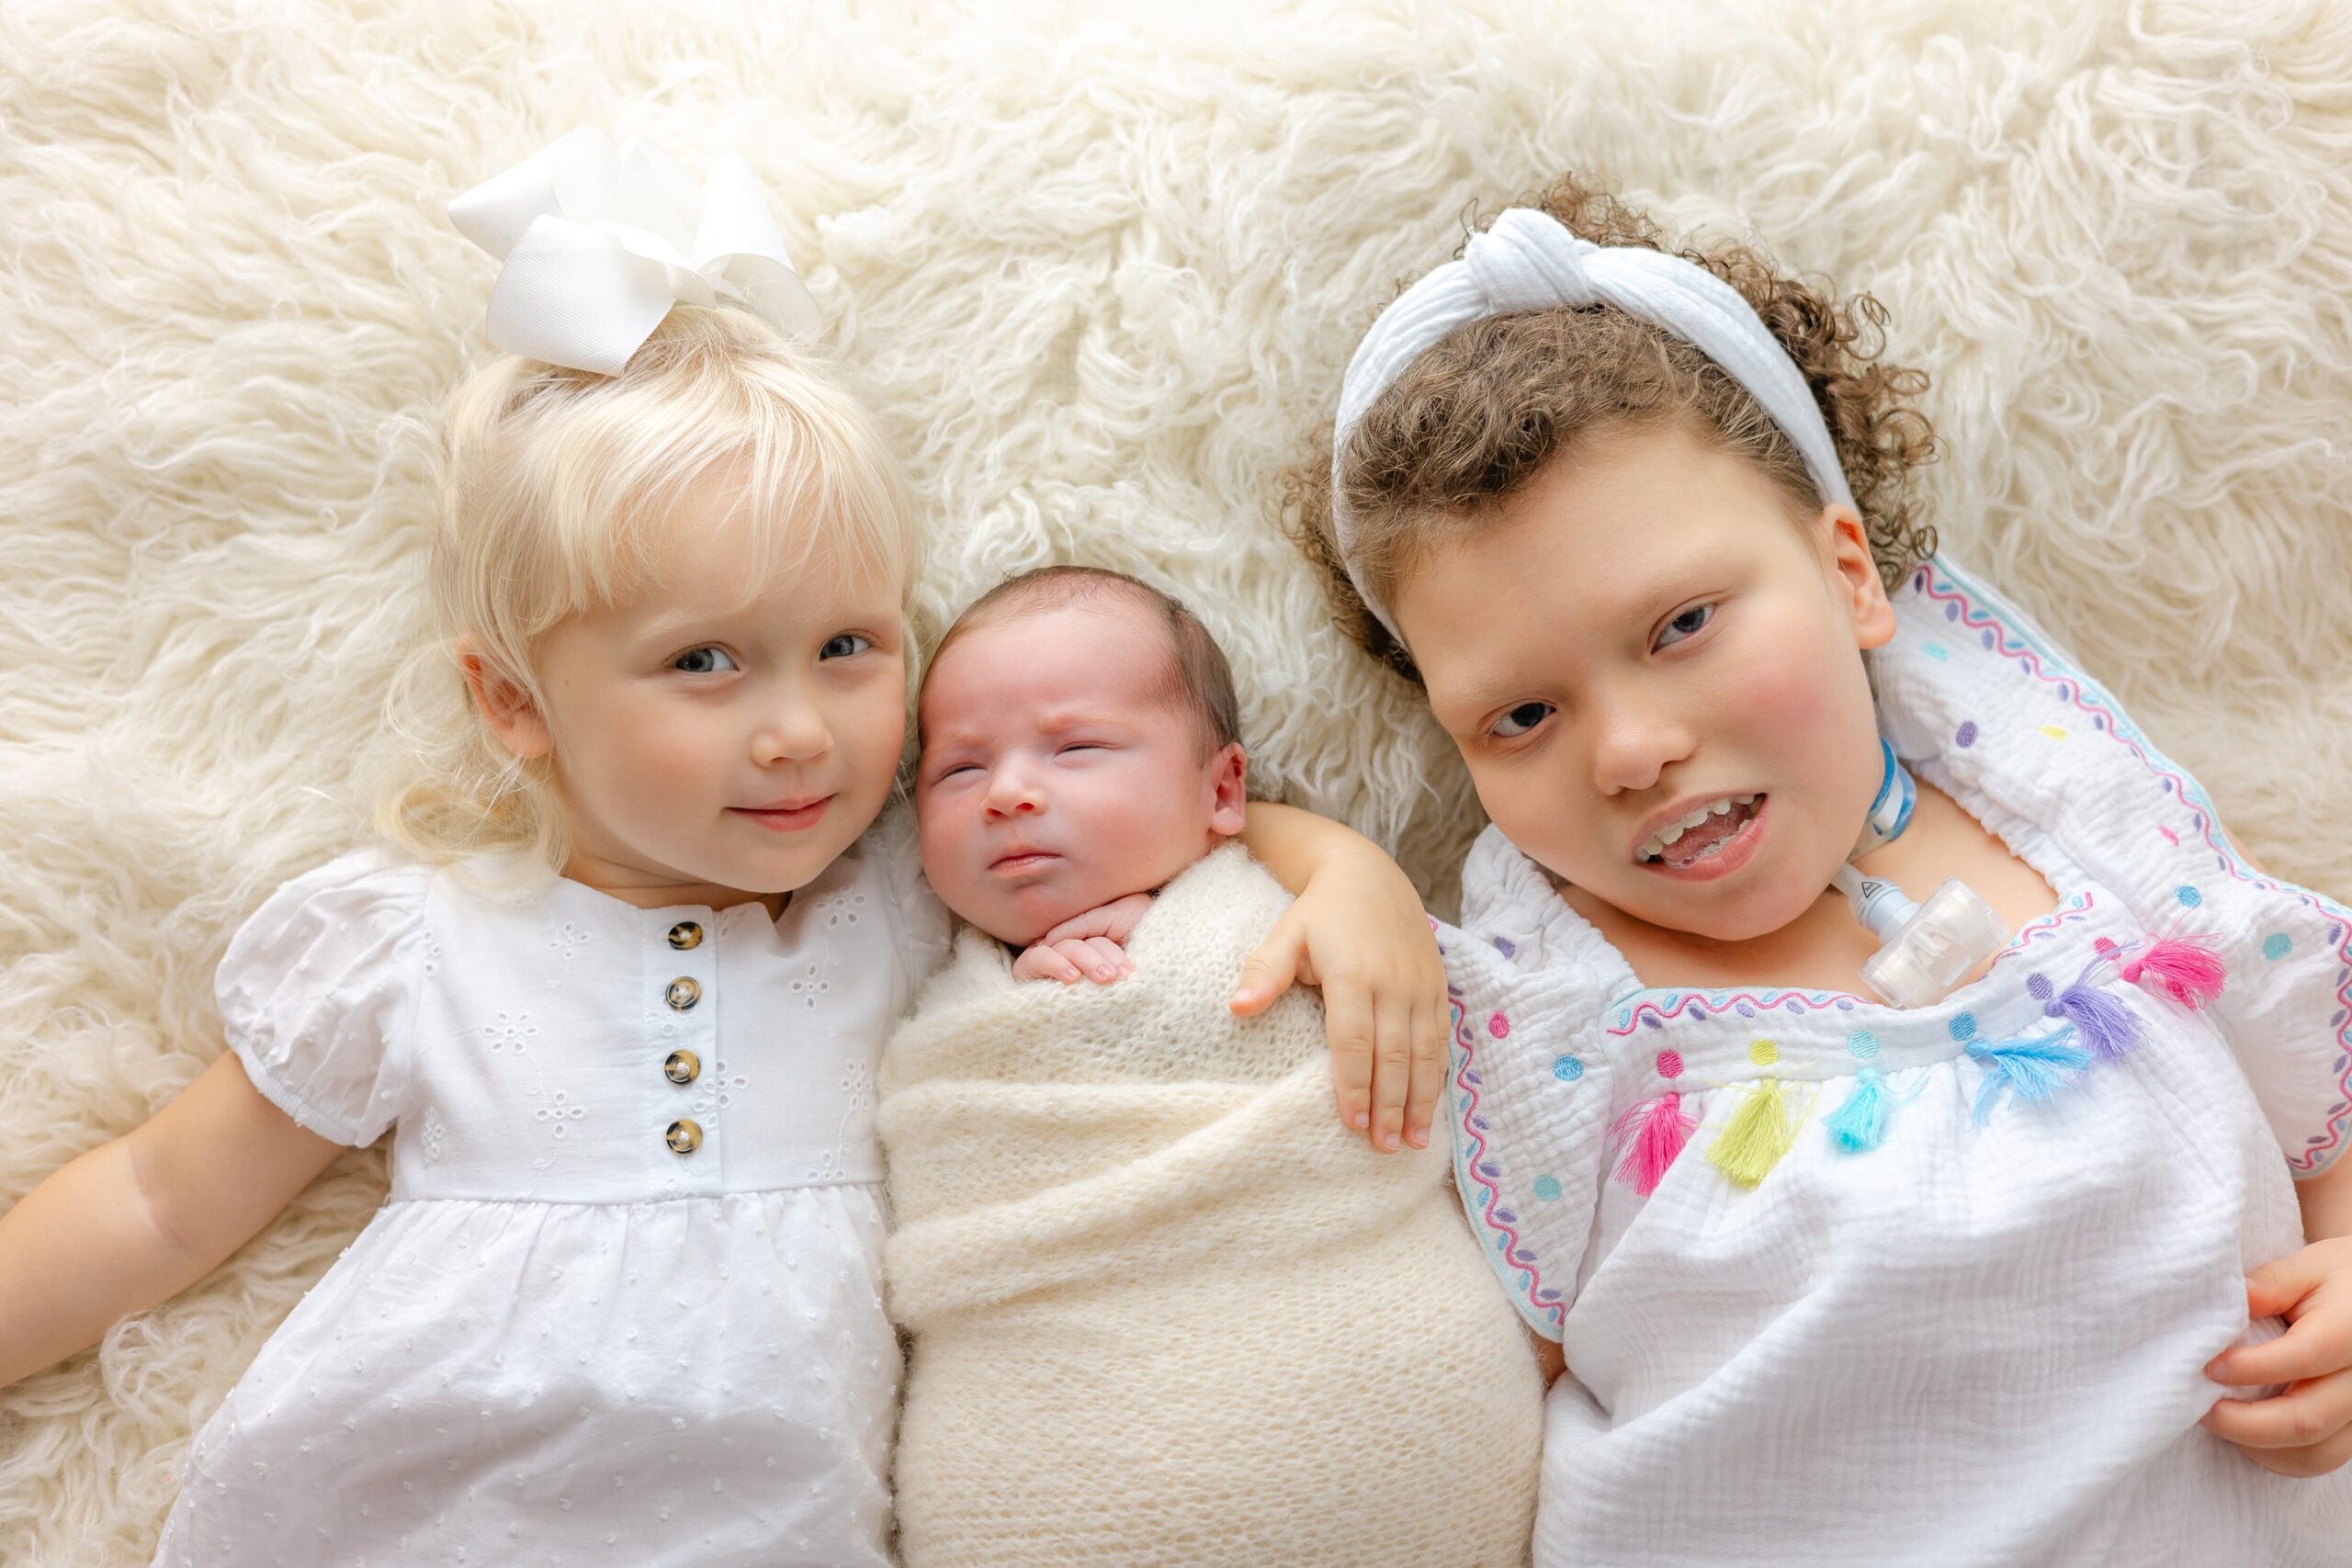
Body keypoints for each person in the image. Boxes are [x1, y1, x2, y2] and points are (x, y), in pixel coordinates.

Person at [0, 132, 1444, 1565]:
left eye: (847, 646)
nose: (800, 729)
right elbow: (156, 1199)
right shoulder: (417, 941)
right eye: (705, 661)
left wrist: (1353, 874)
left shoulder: (903, 897)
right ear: (515, 702)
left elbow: (1160, 820)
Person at [1289, 173, 2352, 1566]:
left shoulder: (2071, 817)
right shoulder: (1542, 999)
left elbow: (2315, 1068)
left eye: (1680, 623)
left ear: (1850, 570)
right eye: (1521, 716)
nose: (1630, 748)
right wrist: (1323, 856)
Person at [880, 566, 1543, 1568]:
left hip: (1374, 1395)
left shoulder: (1297, 918)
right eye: (958, 771)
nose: (1009, 792)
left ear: (1222, 789)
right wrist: (1036, 995)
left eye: (1076, 747)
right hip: (1052, 1447)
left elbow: (1473, 1045)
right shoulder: (941, 999)